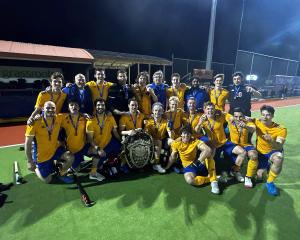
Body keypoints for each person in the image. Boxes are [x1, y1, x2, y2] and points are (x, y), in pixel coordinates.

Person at [25, 101, 74, 183]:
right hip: (41, 156)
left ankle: (61, 173)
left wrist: (84, 115)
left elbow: (74, 113)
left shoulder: (59, 118)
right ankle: (36, 168)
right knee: (48, 180)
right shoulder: (34, 122)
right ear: (43, 109)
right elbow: (28, 143)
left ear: (55, 109)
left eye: (53, 108)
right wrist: (30, 161)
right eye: (48, 108)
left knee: (70, 156)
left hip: (54, 150)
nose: (51, 110)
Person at [196, 102, 246, 182]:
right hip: (213, 145)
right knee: (212, 163)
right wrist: (200, 123)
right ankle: (212, 176)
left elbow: (227, 115)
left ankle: (235, 171)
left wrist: (231, 118)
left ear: (214, 109)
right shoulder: (203, 119)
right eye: (208, 109)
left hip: (224, 143)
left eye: (212, 108)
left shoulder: (220, 115)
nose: (210, 110)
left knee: (242, 152)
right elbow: (197, 131)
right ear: (204, 110)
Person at [165, 125, 220, 194]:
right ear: (181, 134)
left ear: (191, 135)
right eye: (184, 133)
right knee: (190, 180)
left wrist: (198, 161)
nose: (186, 135)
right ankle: (210, 178)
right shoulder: (176, 143)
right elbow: (172, 156)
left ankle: (214, 182)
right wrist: (167, 167)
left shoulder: (195, 141)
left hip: (199, 163)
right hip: (189, 167)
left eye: (188, 133)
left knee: (208, 154)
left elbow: (207, 149)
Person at [254, 105, 287, 196]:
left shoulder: (281, 129)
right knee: (259, 176)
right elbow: (246, 119)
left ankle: (270, 182)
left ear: (272, 116)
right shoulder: (257, 122)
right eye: (263, 114)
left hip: (273, 150)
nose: (265, 117)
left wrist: (271, 140)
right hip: (260, 152)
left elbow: (279, 146)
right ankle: (267, 166)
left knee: (279, 158)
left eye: (268, 115)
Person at [86, 98, 121, 181]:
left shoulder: (110, 117)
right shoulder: (90, 121)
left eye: (102, 105)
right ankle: (93, 173)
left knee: (119, 147)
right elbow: (90, 139)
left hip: (109, 142)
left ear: (105, 107)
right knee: (98, 159)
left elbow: (115, 132)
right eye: (98, 105)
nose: (100, 107)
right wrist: (98, 149)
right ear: (95, 107)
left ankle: (108, 162)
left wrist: (121, 141)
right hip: (97, 146)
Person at [226, 107, 258, 188]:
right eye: (236, 116)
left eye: (240, 116)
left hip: (245, 144)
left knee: (254, 155)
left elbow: (253, 129)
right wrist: (230, 117)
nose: (238, 118)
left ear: (244, 116)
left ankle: (248, 177)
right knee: (242, 152)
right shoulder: (230, 119)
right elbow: (222, 113)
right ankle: (236, 171)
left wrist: (246, 126)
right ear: (233, 116)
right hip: (233, 144)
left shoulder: (247, 122)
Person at [145, 102, 173, 173]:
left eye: (159, 110)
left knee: (172, 142)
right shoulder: (148, 122)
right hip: (151, 141)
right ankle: (156, 164)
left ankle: (172, 162)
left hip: (162, 140)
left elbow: (170, 134)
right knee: (158, 141)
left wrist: (170, 130)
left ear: (163, 112)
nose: (157, 112)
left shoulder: (166, 121)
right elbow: (146, 134)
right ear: (152, 111)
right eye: (155, 110)